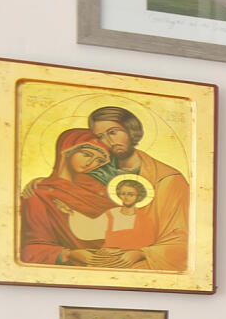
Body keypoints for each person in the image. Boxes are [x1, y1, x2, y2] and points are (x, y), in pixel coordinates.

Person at [80, 106, 188, 272]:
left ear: (131, 130)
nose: (108, 141)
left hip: (143, 265)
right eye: (100, 136)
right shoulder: (94, 174)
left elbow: (184, 241)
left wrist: (141, 253)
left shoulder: (167, 179)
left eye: (113, 132)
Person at [15, 131, 127, 266]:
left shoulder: (99, 189)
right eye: (86, 155)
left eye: (99, 160)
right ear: (66, 151)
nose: (91, 163)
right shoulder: (38, 195)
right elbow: (31, 249)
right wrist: (68, 254)